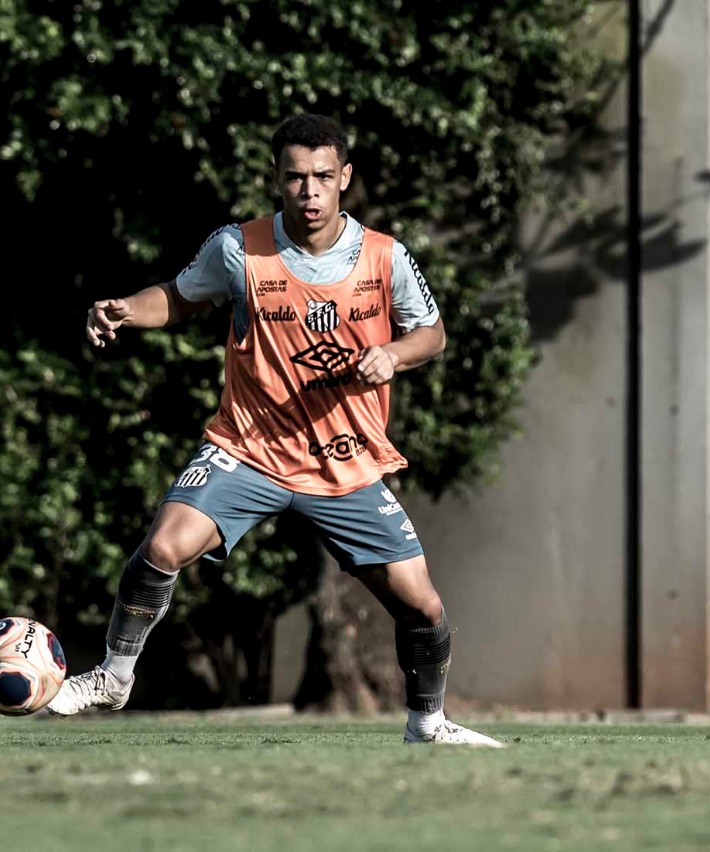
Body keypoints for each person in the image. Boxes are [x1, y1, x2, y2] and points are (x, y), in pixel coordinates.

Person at [47, 113, 503, 747]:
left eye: (322, 177)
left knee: (422, 606)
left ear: (345, 177)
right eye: (295, 178)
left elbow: (432, 333)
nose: (309, 191)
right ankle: (113, 678)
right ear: (277, 179)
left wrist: (393, 355)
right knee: (163, 547)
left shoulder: (386, 256)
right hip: (248, 449)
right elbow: (179, 297)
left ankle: (427, 724)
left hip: (343, 462)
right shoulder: (238, 248)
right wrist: (127, 311)